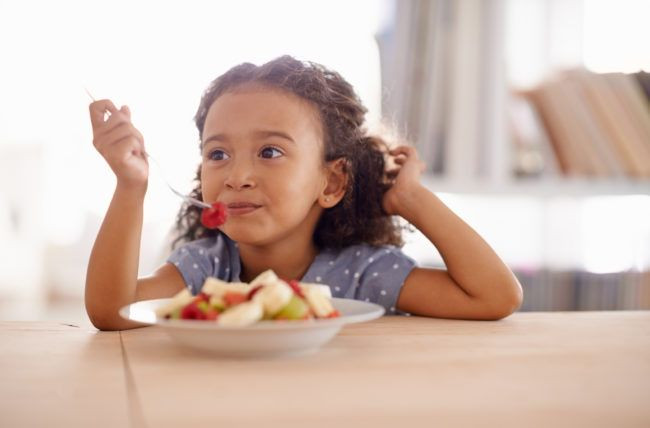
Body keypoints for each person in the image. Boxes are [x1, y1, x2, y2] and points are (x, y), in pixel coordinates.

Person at [85, 55, 522, 331]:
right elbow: (114, 311)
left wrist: (412, 201)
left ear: (330, 182)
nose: (237, 175)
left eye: (269, 151)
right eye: (218, 153)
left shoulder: (361, 274)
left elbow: (495, 297)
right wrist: (130, 185)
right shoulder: (208, 266)